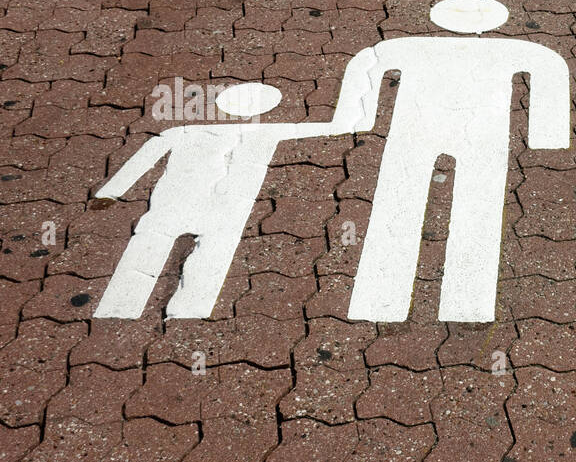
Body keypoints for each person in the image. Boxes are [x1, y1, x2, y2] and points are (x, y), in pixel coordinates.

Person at [346, 0, 570, 323]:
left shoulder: (404, 47)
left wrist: (358, 121)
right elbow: (551, 71)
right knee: (477, 207)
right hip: (482, 136)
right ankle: (467, 302)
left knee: (399, 203)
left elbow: (364, 67)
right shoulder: (519, 51)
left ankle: (380, 297)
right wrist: (546, 136)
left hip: (415, 134)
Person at [95, 82, 370, 319]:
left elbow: (144, 157)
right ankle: (189, 309)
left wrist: (109, 193)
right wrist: (360, 106)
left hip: (172, 202)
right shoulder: (267, 131)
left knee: (150, 243)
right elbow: (327, 127)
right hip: (228, 207)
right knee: (213, 252)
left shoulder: (182, 131)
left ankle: (121, 304)